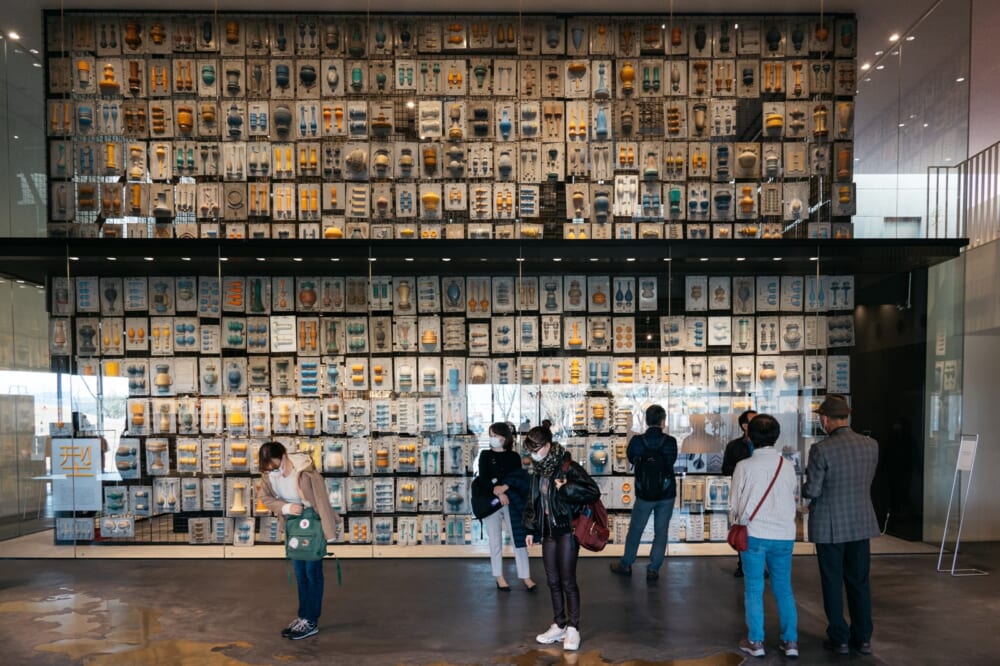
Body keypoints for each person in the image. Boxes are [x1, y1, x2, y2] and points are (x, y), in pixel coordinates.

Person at [803, 395, 879, 656]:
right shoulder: (871, 445)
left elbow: (813, 490)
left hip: (830, 525)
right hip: (861, 522)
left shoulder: (821, 449)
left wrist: (803, 486)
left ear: (825, 419)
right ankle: (864, 638)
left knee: (832, 582)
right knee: (859, 581)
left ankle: (840, 638)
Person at [523, 425, 600, 652]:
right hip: (548, 531)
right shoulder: (538, 470)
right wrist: (530, 529)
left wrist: (567, 488)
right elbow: (533, 501)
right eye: (530, 450)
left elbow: (593, 491)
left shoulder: (568, 467)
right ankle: (559, 624)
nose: (533, 454)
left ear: (548, 446)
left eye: (536, 449)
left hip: (568, 530)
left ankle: (573, 628)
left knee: (568, 580)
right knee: (552, 580)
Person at [730, 414, 800, 659]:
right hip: (784, 535)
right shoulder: (788, 466)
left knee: (753, 589)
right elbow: (792, 496)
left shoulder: (744, 466)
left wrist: (736, 521)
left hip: (754, 534)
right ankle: (791, 642)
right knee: (784, 589)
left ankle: (756, 641)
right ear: (776, 436)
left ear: (749, 435)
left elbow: (734, 505)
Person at [258, 441, 339, 640]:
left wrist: (329, 532)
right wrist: (285, 507)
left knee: (312, 573)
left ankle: (311, 620)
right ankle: (303, 617)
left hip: (312, 524)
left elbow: (322, 501)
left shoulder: (306, 473)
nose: (272, 469)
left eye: (274, 464)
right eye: (268, 466)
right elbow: (265, 498)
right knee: (300, 573)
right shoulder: (269, 475)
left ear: (284, 455)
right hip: (293, 525)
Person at [609, 404, 677, 582]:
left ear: (646, 421)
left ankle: (626, 563)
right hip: (666, 494)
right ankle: (653, 569)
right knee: (661, 531)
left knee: (636, 529)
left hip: (644, 494)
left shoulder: (637, 441)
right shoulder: (670, 442)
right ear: (663, 421)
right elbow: (671, 462)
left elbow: (632, 459)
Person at [478, 422, 536, 591]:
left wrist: (505, 489)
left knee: (519, 538)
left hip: (512, 502)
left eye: (495, 435)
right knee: (495, 541)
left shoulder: (514, 457)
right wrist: (497, 491)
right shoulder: (485, 455)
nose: (492, 438)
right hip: (491, 503)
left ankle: (526, 576)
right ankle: (499, 577)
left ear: (504, 437)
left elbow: (517, 477)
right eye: (491, 435)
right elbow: (483, 478)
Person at [723, 409, 758, 577]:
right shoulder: (734, 446)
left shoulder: (764, 445)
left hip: (760, 492)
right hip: (742, 492)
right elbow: (726, 468)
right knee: (743, 528)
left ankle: (759, 564)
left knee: (758, 529)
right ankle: (742, 564)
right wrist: (742, 471)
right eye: (754, 421)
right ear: (745, 426)